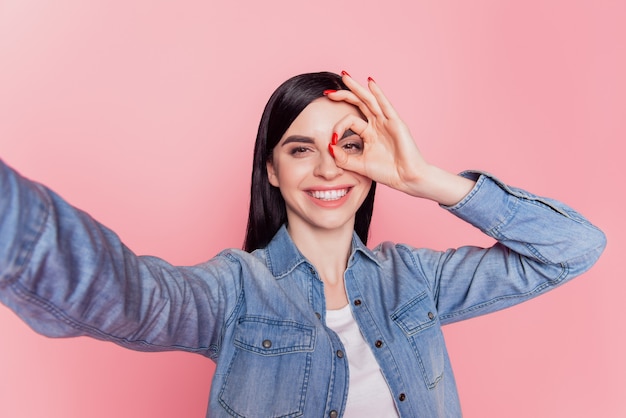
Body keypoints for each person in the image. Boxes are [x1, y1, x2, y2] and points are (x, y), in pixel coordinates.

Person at [0, 71, 606, 417]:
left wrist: (425, 180)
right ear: (271, 170)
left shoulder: (415, 281)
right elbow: (128, 296)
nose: (327, 168)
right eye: (299, 148)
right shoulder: (235, 289)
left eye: (347, 146)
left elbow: (574, 246)